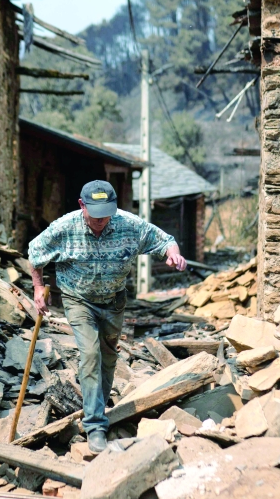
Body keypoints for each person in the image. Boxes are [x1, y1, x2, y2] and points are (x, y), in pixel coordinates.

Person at [27, 180, 188, 452]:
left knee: (108, 357)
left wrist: (174, 255)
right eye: (95, 213)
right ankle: (95, 426)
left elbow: (165, 241)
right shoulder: (65, 228)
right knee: (90, 354)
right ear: (82, 205)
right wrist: (39, 287)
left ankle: (97, 406)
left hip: (114, 301)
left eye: (106, 213)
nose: (101, 219)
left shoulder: (128, 225)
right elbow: (35, 252)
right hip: (79, 300)